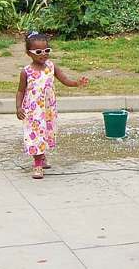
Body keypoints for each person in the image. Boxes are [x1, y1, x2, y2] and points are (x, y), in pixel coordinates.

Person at [15, 32, 88, 179]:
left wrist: (76, 83)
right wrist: (18, 107)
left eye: (46, 51)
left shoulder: (51, 66)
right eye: (38, 52)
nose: (43, 54)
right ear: (29, 53)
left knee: (46, 133)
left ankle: (42, 157)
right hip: (33, 111)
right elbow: (20, 91)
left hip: (48, 110)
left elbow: (65, 79)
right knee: (36, 135)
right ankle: (37, 164)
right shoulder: (26, 72)